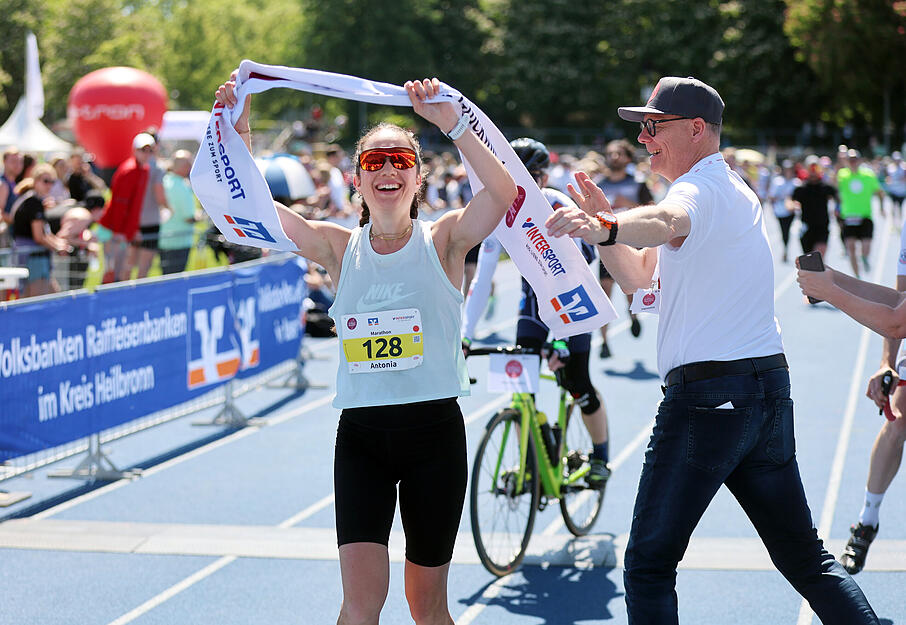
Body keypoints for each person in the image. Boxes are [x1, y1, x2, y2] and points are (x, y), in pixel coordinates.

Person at [546, 75, 879, 624]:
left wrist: (606, 224)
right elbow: (640, 278)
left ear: (696, 129)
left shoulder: (698, 190)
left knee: (649, 566)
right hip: (763, 390)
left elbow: (666, 220)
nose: (644, 138)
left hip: (709, 398)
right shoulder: (729, 190)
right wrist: (605, 233)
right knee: (805, 558)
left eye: (655, 126)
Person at [216, 74, 517, 625]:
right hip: (361, 441)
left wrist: (453, 125)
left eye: (400, 160)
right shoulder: (337, 247)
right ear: (356, 179)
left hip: (433, 438)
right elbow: (257, 216)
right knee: (360, 607)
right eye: (375, 161)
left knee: (426, 606)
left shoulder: (445, 240)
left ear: (418, 177)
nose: (387, 170)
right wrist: (240, 134)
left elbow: (502, 194)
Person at [596, 138, 652, 357]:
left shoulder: (638, 182)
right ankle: (604, 342)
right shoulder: (599, 183)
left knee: (630, 289)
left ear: (628, 158)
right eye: (610, 153)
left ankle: (633, 316)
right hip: (607, 243)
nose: (614, 157)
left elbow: (652, 211)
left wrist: (628, 205)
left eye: (619, 153)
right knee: (605, 291)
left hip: (631, 241)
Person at [97, 133, 153, 282]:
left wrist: (133, 229)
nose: (146, 154)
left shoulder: (144, 170)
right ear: (135, 150)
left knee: (120, 271)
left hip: (123, 231)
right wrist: (118, 232)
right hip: (113, 230)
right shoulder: (129, 170)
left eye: (150, 150)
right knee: (112, 273)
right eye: (143, 150)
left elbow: (135, 205)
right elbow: (120, 204)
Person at [10, 163, 71, 296]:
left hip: (32, 257)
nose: (49, 185)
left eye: (52, 182)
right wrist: (58, 247)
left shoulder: (34, 200)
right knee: (36, 300)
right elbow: (39, 237)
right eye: (45, 181)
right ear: (36, 181)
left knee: (50, 297)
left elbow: (44, 233)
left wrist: (60, 244)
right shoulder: (33, 203)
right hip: (32, 258)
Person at [838, 149, 885, 278]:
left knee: (866, 247)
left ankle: (864, 257)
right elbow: (832, 183)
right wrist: (840, 159)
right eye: (850, 160)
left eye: (855, 159)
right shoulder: (842, 174)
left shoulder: (868, 175)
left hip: (865, 216)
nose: (853, 162)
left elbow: (879, 192)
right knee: (851, 249)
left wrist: (882, 208)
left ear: (859, 160)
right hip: (848, 217)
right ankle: (857, 276)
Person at [128, 131, 169, 279]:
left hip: (134, 221)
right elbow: (159, 195)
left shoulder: (130, 166)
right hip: (149, 222)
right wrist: (169, 209)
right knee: (143, 267)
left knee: (129, 264)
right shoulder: (156, 168)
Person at [792, 155, 838, 258]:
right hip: (806, 227)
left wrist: (837, 210)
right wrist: (793, 205)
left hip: (822, 227)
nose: (813, 171)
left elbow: (838, 198)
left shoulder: (826, 187)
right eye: (810, 167)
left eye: (815, 167)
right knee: (809, 261)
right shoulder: (801, 188)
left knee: (819, 256)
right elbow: (792, 200)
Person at [159, 149, 197, 274]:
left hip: (164, 239)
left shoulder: (165, 181)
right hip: (179, 241)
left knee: (167, 277)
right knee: (175, 279)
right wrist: (200, 217)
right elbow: (188, 217)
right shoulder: (182, 186)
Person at [767, 160, 799, 263]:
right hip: (780, 210)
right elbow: (771, 196)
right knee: (783, 230)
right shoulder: (778, 181)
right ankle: (785, 248)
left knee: (787, 230)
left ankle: (786, 249)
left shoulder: (796, 182)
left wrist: (792, 202)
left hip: (791, 211)